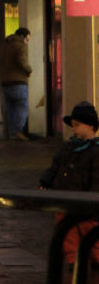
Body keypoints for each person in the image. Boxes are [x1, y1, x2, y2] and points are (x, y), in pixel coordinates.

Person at [39, 101, 99, 267]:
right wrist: (46, 181)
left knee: (89, 229)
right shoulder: (67, 148)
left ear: (90, 126)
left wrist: (94, 197)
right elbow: (55, 167)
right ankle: (73, 259)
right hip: (64, 197)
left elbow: (96, 176)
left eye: (77, 125)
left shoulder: (95, 151)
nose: (74, 129)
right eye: (73, 125)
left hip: (86, 201)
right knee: (67, 231)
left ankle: (96, 257)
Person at [0, 26, 32, 139]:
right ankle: (17, 131)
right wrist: (29, 71)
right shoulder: (19, 46)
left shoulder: (5, 44)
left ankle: (12, 132)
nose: (27, 43)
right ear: (22, 36)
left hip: (5, 81)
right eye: (27, 39)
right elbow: (22, 60)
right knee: (23, 105)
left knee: (10, 107)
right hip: (18, 81)